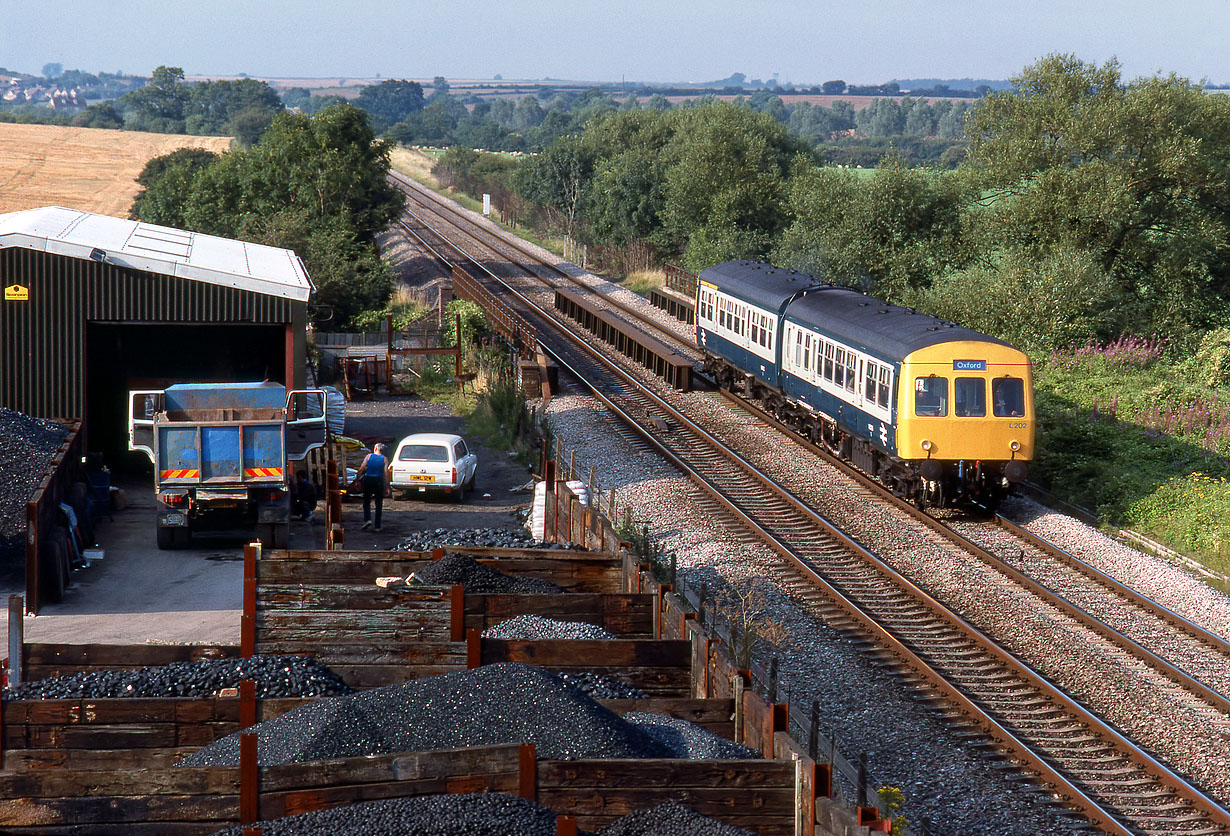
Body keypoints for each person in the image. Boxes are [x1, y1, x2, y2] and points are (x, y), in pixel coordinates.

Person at [359, 443, 388, 532]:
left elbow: (362, 468)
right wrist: (387, 486)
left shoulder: (369, 456)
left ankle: (368, 519)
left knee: (366, 501)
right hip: (379, 481)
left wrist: (357, 480)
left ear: (375, 448)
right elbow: (386, 473)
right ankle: (377, 527)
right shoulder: (384, 459)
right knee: (378, 503)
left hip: (368, 480)